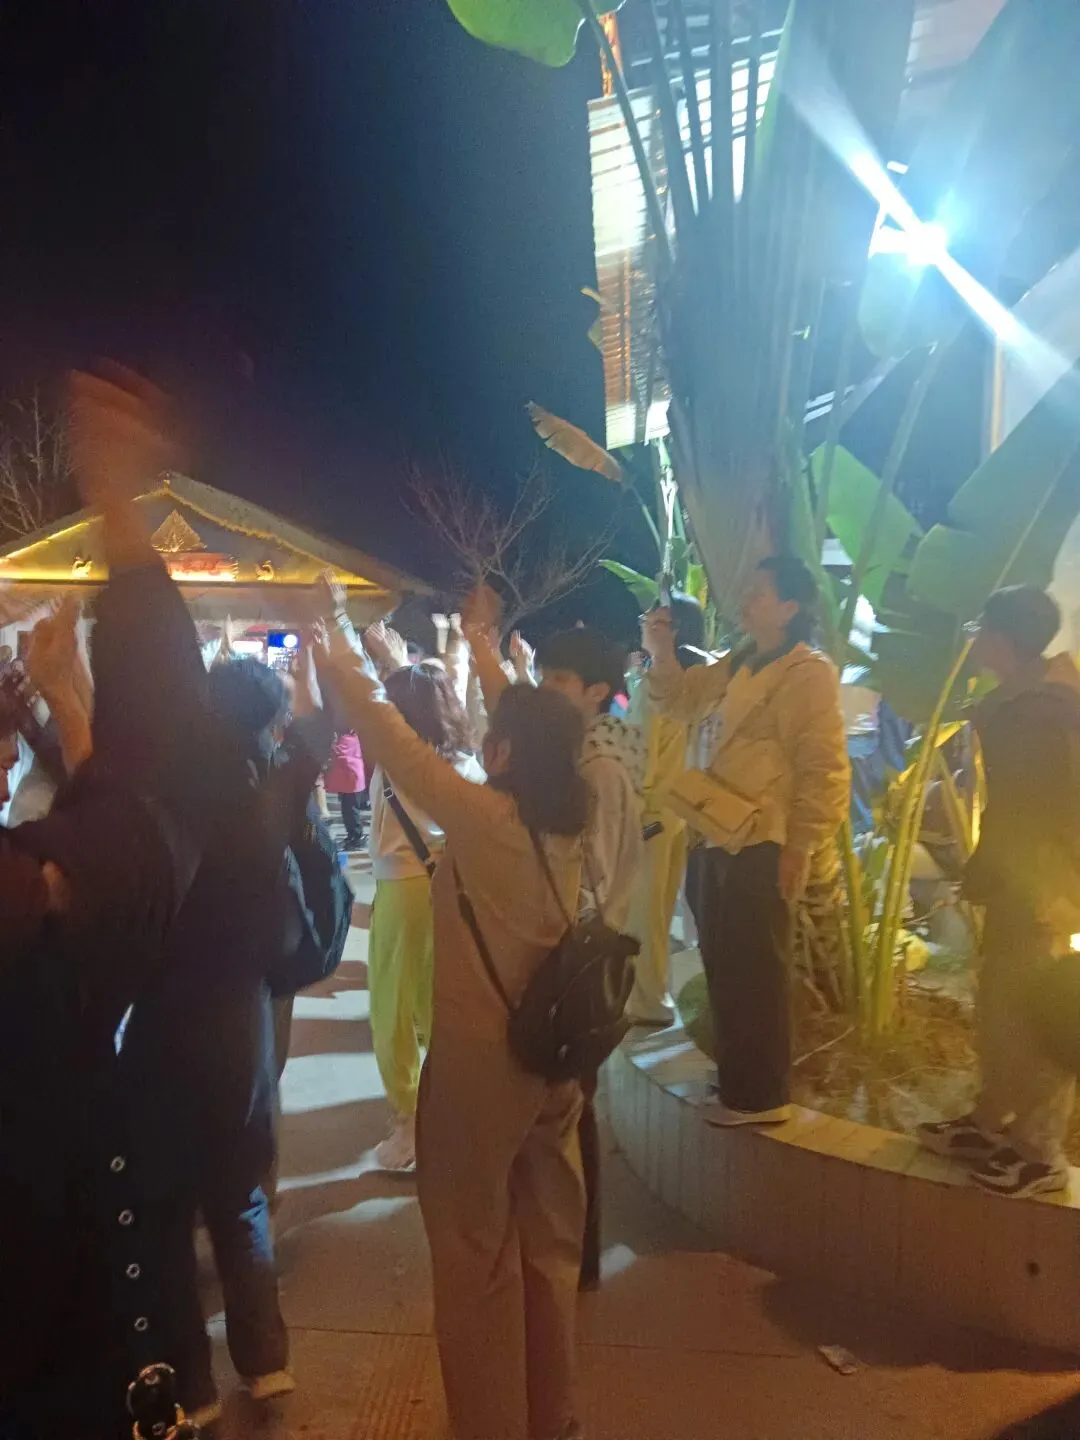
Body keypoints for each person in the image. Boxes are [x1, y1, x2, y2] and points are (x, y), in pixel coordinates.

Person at [1, 366, 216, 1440]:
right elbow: (142, 835)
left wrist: (65, 711)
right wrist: (121, 513)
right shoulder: (35, 898)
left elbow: (112, 832)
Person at [317, 607, 590, 1440]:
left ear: (504, 752)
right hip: (558, 1059)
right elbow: (538, 727)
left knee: (473, 1255)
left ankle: (489, 1422)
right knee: (550, 1247)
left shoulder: (481, 818)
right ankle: (553, 1418)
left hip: (481, 1067)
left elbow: (392, 737)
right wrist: (484, 653)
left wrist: (339, 645)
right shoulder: (573, 821)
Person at [122, 645, 332, 1422]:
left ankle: (194, 1385)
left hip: (162, 1022)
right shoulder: (265, 799)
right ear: (266, 721)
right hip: (241, 1020)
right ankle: (266, 1361)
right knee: (241, 1195)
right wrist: (323, 650)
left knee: (165, 1209)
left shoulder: (159, 797)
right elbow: (318, 733)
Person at [643, 556, 849, 1127]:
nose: (745, 601)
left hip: (762, 839)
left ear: (790, 607)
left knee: (756, 970)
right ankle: (740, 1082)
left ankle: (762, 1098)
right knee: (725, 964)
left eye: (759, 593)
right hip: (713, 832)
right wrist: (660, 651)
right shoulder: (739, 661)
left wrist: (801, 846)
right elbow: (679, 701)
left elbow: (824, 766)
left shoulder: (806, 673)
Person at [918, 586, 1080, 1198]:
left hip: (1046, 889)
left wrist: (1060, 892)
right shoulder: (1016, 705)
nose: (973, 639)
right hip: (1016, 880)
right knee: (1001, 1005)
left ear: (1004, 639)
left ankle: (1040, 1155)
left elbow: (1059, 808)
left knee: (1039, 1011)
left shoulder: (1048, 711)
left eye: (980, 628)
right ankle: (991, 1120)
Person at [531, 626, 645, 1291]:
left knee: (575, 1109)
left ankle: (580, 1256)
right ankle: (577, 1252)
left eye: (558, 680)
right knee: (574, 1106)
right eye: (543, 676)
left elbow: (591, 871)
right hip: (593, 946)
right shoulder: (599, 747)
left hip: (585, 953)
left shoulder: (597, 766)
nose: (546, 689)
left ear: (596, 691)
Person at [366, 660, 485, 1171]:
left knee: (391, 1008)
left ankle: (410, 1123)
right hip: (451, 891)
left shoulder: (397, 765)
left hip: (403, 891)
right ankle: (450, 1113)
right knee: (439, 1004)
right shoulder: (467, 766)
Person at [625, 591, 706, 1028]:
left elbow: (641, 758)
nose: (645, 626)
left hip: (651, 814)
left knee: (646, 914)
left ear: (673, 632)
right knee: (659, 910)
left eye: (653, 622)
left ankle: (647, 1000)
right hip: (678, 812)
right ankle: (654, 995)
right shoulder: (694, 683)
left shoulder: (656, 687)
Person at [325, 727, 367, 849]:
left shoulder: (346, 740)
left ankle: (357, 837)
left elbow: (338, 754)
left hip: (351, 780)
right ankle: (352, 836)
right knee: (347, 810)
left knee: (351, 811)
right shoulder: (352, 737)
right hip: (350, 780)